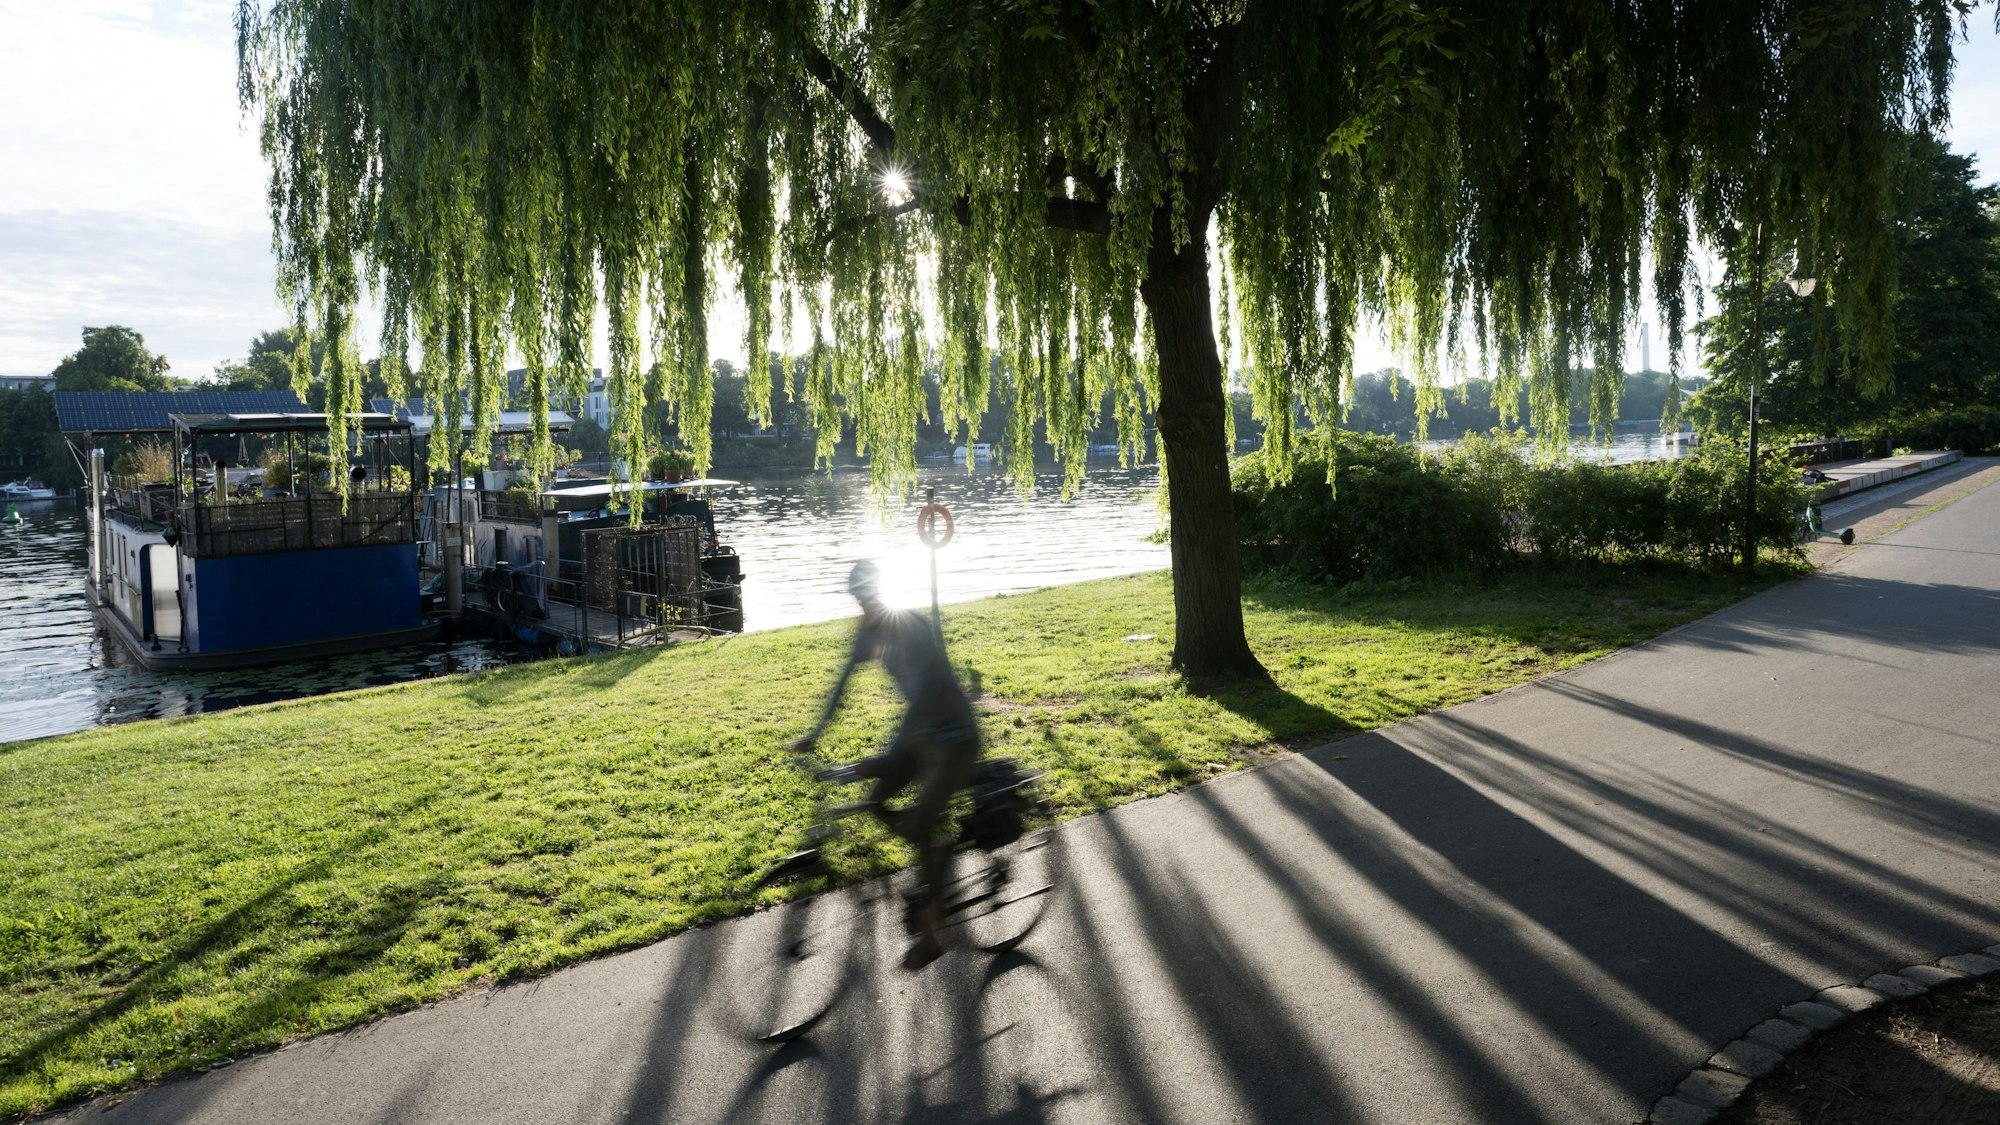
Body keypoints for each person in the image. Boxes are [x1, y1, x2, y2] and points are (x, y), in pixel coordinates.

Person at [792, 560, 981, 969]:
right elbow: (842, 686)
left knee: (918, 823)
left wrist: (878, 761)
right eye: (859, 599)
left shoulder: (908, 625)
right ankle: (932, 856)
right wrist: (816, 734)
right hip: (919, 735)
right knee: (875, 802)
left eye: (869, 596)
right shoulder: (868, 634)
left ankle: (932, 931)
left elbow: (930, 695)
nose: (865, 606)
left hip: (952, 736)